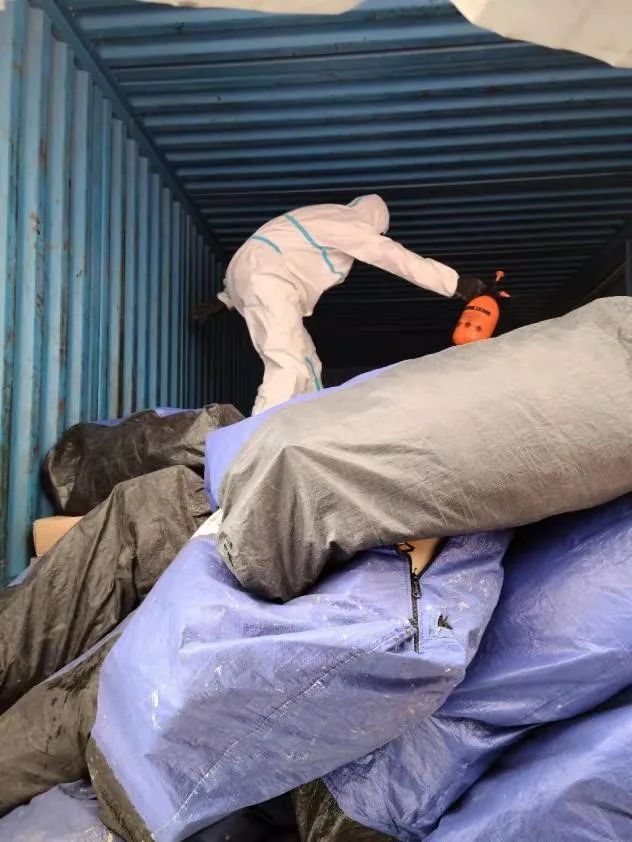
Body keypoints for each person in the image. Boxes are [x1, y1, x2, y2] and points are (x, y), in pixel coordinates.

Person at [194, 194, 488, 415]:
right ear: (375, 221)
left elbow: (263, 258)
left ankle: (303, 429)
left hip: (248, 276)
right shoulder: (349, 222)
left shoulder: (320, 217)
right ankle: (254, 446)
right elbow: (390, 255)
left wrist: (225, 299)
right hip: (270, 280)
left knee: (308, 363)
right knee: (288, 365)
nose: (377, 236)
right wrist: (453, 283)